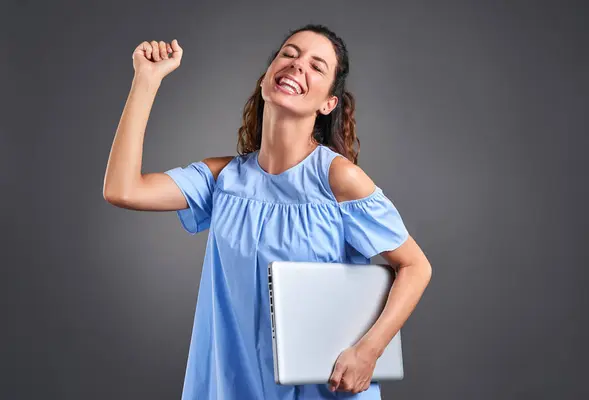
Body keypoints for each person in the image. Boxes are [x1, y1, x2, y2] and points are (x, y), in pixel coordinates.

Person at [103, 24, 432, 400]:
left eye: (316, 66)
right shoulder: (222, 179)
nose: (297, 66)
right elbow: (122, 189)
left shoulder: (340, 179)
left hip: (323, 390)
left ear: (328, 103)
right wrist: (146, 80)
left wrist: (369, 351)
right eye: (289, 54)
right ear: (265, 79)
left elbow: (415, 266)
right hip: (235, 385)